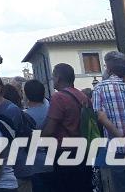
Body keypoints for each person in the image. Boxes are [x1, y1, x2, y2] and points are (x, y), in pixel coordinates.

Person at [43, 64, 94, 192]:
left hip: (65, 151)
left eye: (53, 76)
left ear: (58, 78)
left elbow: (50, 129)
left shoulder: (58, 97)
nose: (52, 79)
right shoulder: (83, 96)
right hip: (83, 149)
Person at [93, 52, 125, 192]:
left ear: (108, 68)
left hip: (117, 147)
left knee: (123, 186)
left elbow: (101, 117)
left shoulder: (100, 88)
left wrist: (121, 137)